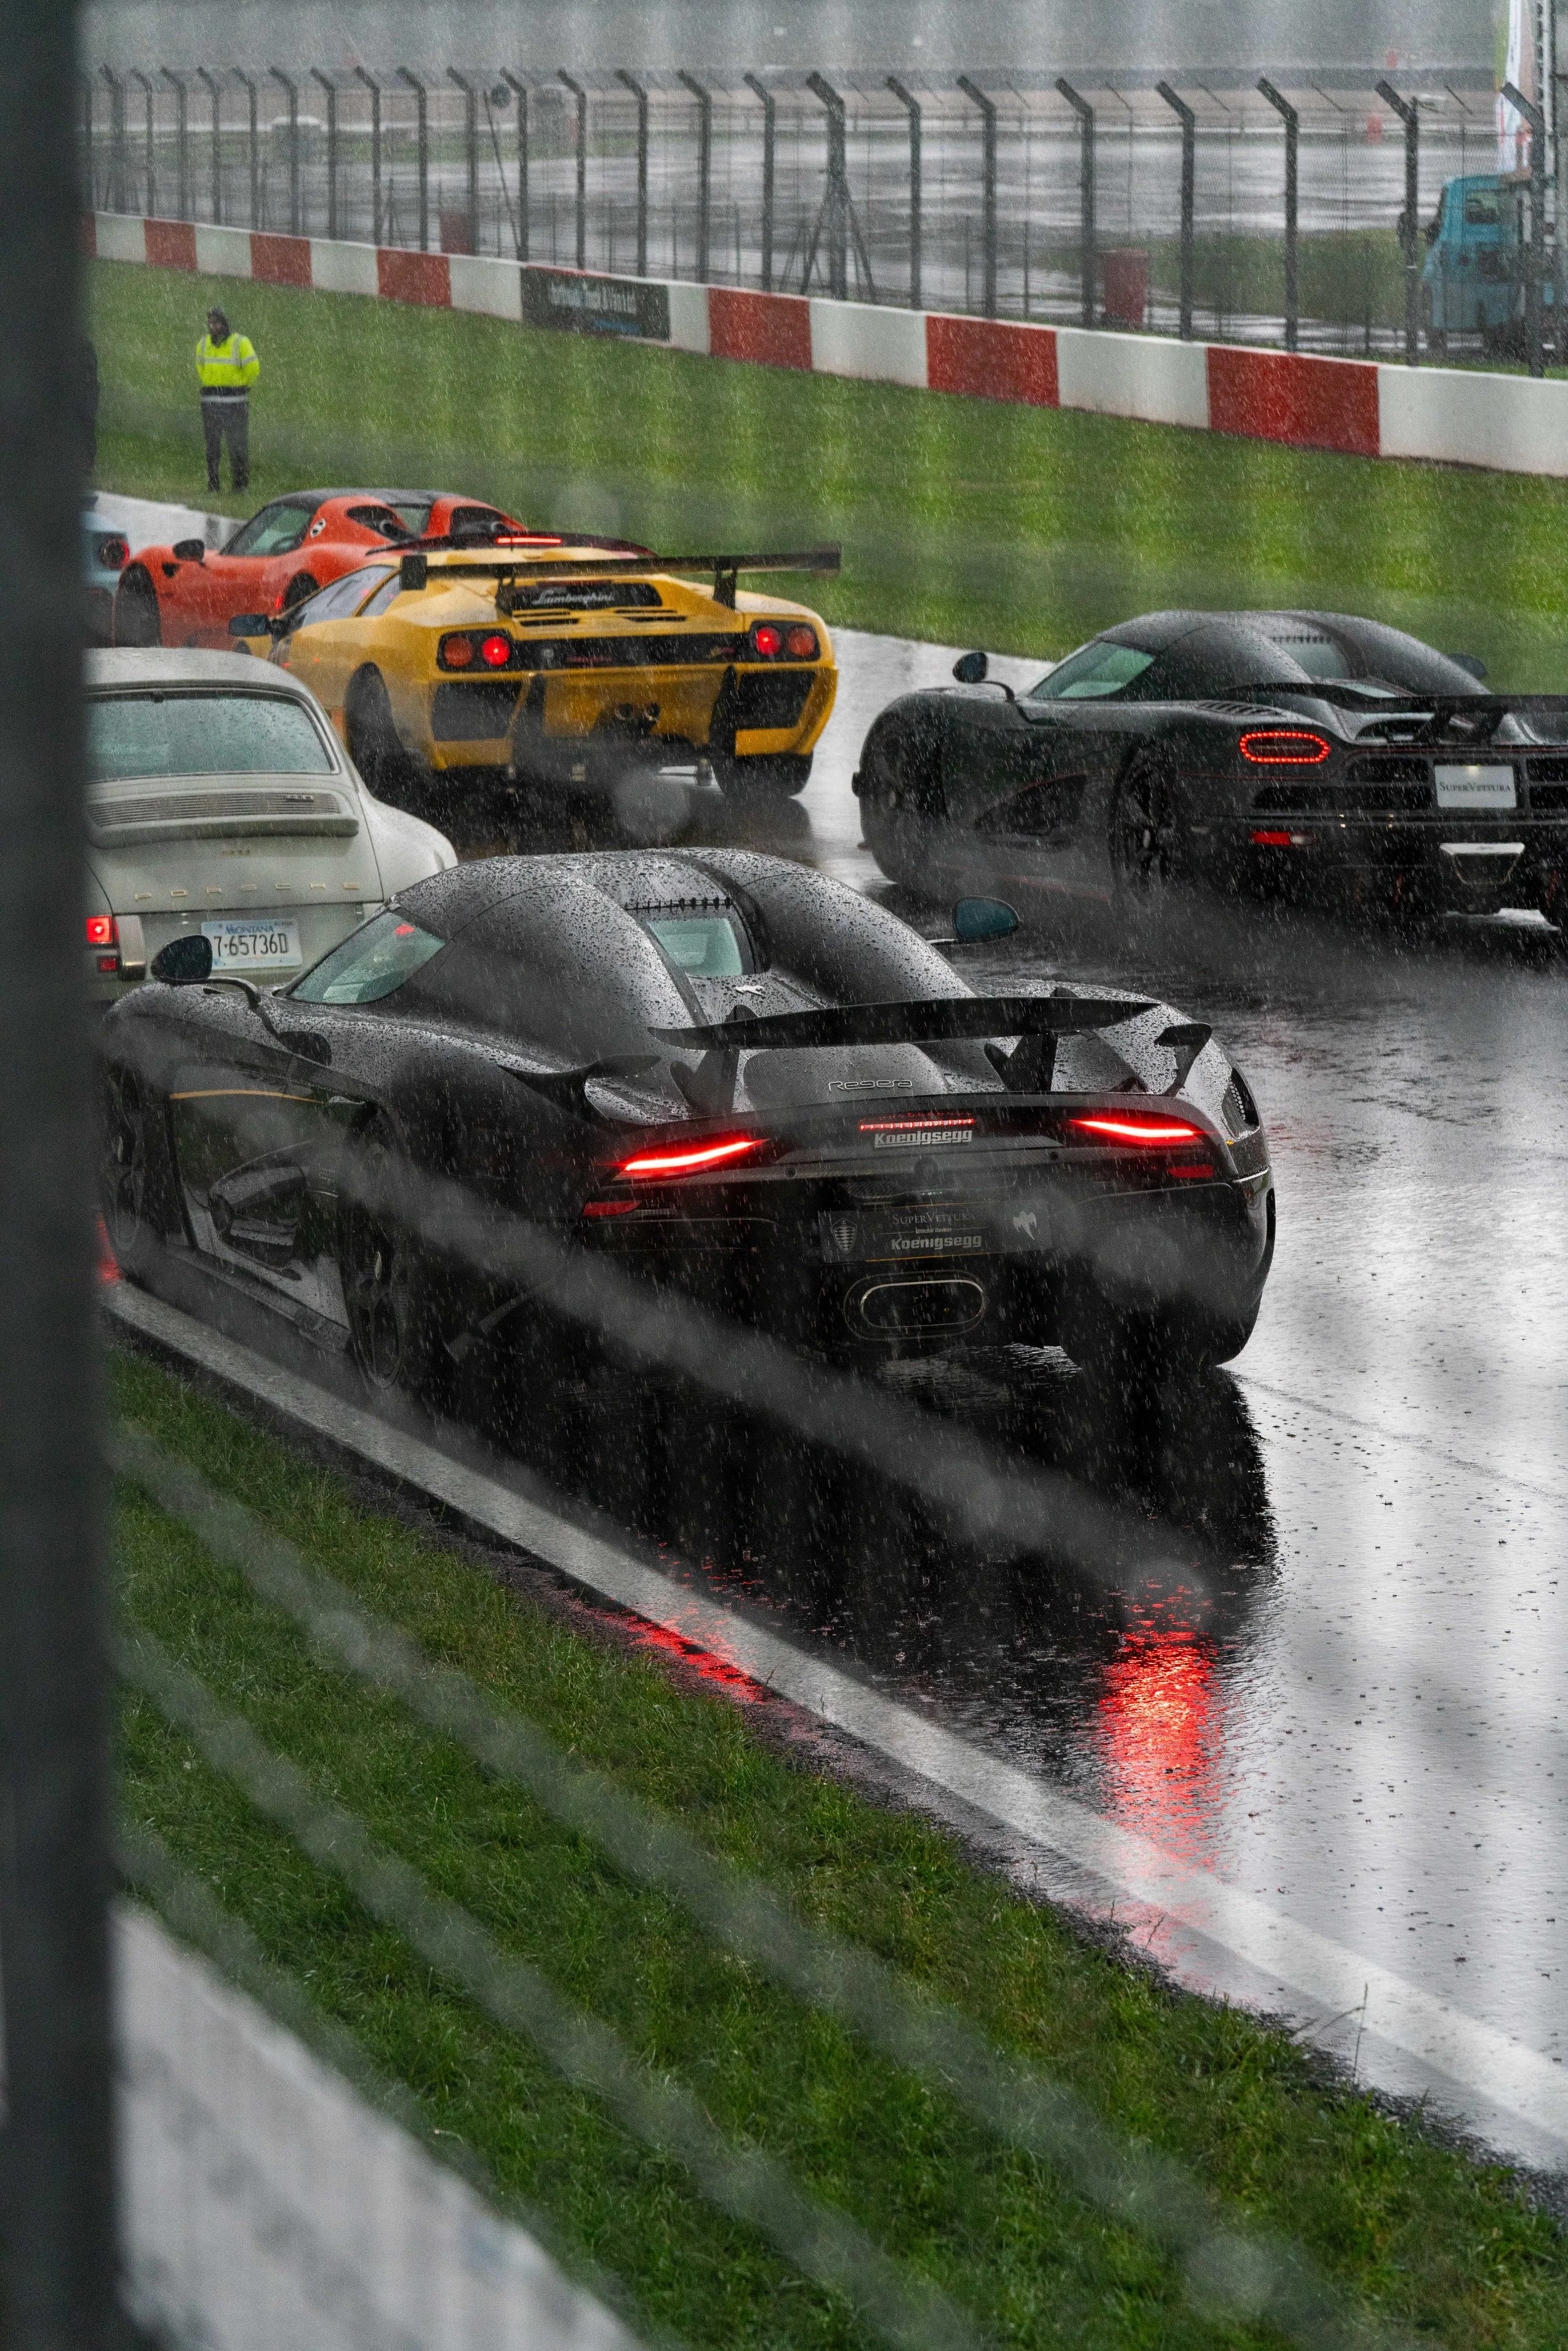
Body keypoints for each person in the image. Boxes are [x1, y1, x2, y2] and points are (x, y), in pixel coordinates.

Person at [195, 307, 259, 494]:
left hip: (234, 402)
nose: (213, 327)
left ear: (224, 324)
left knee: (237, 446)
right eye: (211, 323)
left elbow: (253, 369)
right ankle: (213, 484)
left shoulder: (240, 343)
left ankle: (240, 486)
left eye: (217, 323)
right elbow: (200, 366)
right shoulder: (204, 344)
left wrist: (238, 385)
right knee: (212, 448)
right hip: (213, 402)